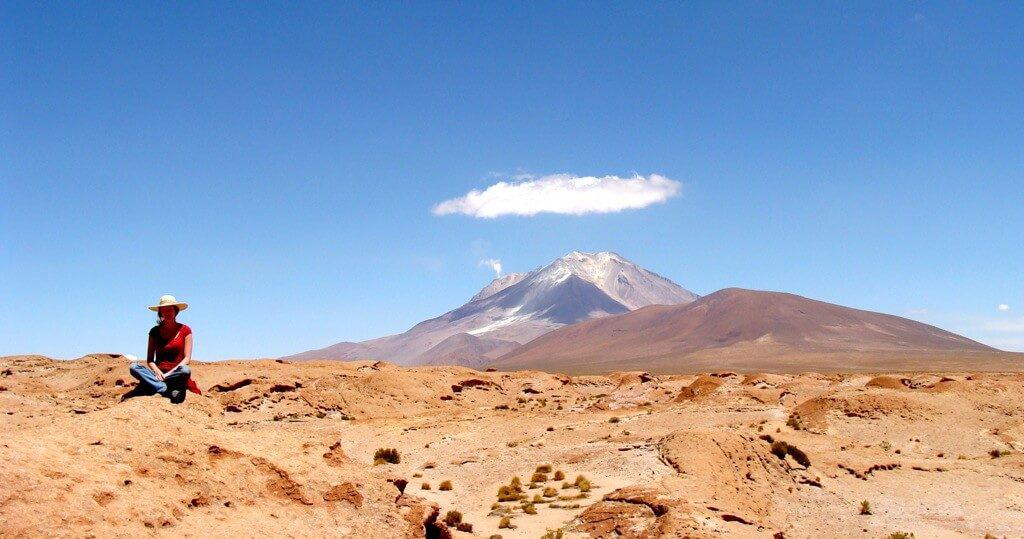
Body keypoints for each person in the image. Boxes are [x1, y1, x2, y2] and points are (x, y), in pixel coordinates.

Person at [128, 294, 201, 403]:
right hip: (158, 374)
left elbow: (187, 359)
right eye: (164, 309)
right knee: (134, 367)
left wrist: (168, 374)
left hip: (176, 374)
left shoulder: (186, 330)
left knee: (186, 370)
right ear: (160, 312)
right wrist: (157, 372)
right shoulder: (154, 331)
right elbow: (150, 360)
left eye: (170, 309)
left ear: (176, 311)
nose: (167, 312)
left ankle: (157, 385)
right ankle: (163, 388)